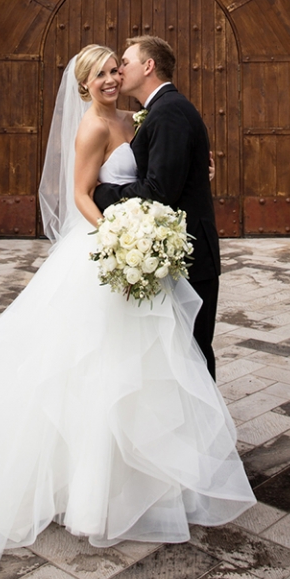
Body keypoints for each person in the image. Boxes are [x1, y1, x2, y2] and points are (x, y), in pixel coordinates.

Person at [0, 45, 253, 579]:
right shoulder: (91, 127)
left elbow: (164, 170)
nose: (111, 77)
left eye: (115, 68)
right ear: (84, 84)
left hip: (137, 248)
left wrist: (196, 165)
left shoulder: (137, 118)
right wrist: (116, 236)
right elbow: (80, 194)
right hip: (106, 248)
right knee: (88, 363)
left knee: (142, 363)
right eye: (101, 73)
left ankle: (146, 471)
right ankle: (85, 483)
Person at [94, 37, 221, 378]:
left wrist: (102, 193)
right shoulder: (160, 110)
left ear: (148, 66)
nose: (119, 70)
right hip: (176, 250)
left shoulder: (168, 111)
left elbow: (159, 190)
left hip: (189, 256)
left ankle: (203, 415)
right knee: (177, 353)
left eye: (126, 62)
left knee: (191, 352)